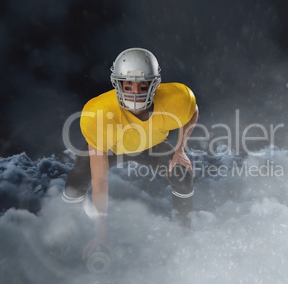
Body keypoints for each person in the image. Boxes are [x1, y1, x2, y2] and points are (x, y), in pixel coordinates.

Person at [61, 47, 198, 260]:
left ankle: (185, 229)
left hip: (151, 145)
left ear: (155, 84)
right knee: (76, 181)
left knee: (183, 174)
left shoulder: (175, 99)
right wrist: (101, 235)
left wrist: (181, 150)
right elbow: (100, 182)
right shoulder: (98, 114)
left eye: (143, 85)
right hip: (112, 148)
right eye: (128, 85)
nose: (135, 92)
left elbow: (193, 112)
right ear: (117, 84)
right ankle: (66, 227)